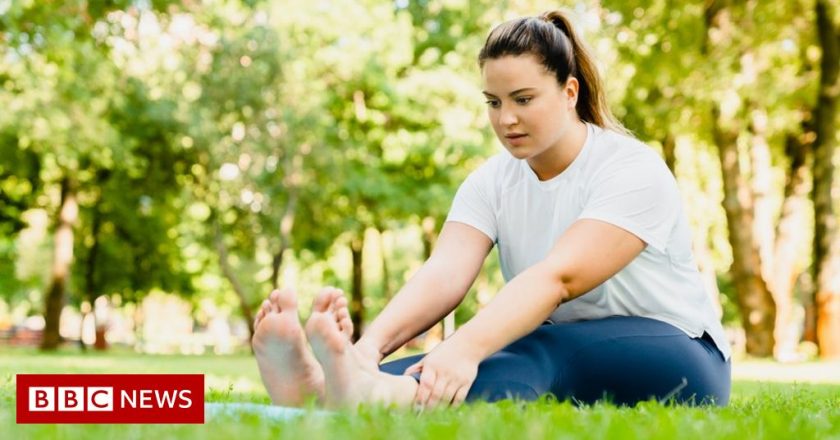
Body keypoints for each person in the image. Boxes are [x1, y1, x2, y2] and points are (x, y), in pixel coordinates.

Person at [251, 9, 731, 410]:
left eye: (524, 99)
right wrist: (366, 351)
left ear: (570, 93)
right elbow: (444, 274)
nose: (506, 119)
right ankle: (324, 389)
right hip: (569, 345)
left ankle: (377, 394)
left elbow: (558, 279)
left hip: (681, 354)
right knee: (455, 361)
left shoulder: (630, 168)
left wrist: (464, 347)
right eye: (493, 102)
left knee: (523, 347)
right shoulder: (492, 180)